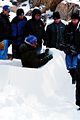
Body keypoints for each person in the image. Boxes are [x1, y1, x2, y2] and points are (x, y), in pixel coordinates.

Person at [64, 13, 79, 84]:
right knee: (69, 65)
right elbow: (64, 37)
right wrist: (67, 46)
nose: (74, 21)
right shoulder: (68, 27)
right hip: (69, 49)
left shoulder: (79, 27)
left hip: (77, 50)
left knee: (75, 65)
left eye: (75, 20)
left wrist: (77, 49)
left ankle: (75, 78)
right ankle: (70, 78)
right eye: (73, 20)